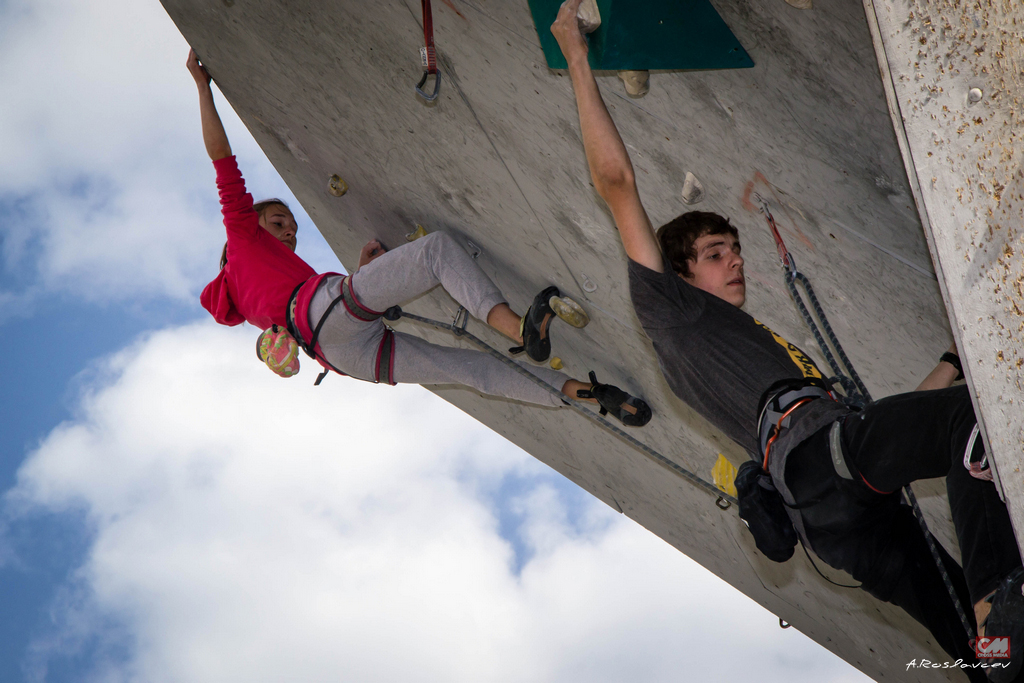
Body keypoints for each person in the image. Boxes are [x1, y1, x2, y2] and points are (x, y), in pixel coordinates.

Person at [548, 1, 1022, 679]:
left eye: (735, 249)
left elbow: (879, 430)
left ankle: (996, 647)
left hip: (840, 514)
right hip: (820, 465)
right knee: (969, 428)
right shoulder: (669, 313)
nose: (734, 260)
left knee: (970, 645)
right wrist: (574, 55)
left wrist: (951, 362)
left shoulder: (755, 348)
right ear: (679, 273)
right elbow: (615, 183)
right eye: (716, 252)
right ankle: (999, 613)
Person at [187, 49, 650, 426]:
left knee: (470, 371)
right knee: (436, 251)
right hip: (329, 319)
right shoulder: (241, 236)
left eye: (290, 224)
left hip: (345, 357)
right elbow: (222, 158)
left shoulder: (249, 295)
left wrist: (365, 275)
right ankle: (517, 327)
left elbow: (322, 318)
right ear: (246, 228)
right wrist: (203, 88)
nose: (289, 230)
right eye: (277, 221)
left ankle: (590, 395)